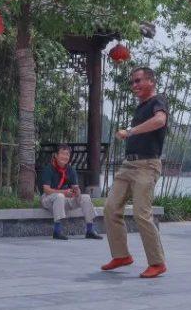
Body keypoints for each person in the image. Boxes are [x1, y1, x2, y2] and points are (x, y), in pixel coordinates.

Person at [102, 67, 168, 278]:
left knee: (141, 213)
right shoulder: (140, 107)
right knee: (110, 208)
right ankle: (121, 255)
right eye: (132, 82)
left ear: (151, 81)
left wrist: (130, 131)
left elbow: (160, 120)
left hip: (147, 166)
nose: (134, 85)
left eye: (138, 81)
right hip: (127, 166)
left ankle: (157, 263)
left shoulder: (159, 100)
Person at [40, 144, 102, 241]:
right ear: (56, 155)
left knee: (85, 197)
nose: (65, 156)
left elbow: (76, 188)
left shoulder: (70, 170)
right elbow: (46, 190)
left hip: (64, 199)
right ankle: (57, 231)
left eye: (67, 154)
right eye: (62, 154)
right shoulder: (49, 169)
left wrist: (76, 192)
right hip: (48, 199)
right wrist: (64, 192)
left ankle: (90, 230)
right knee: (59, 196)